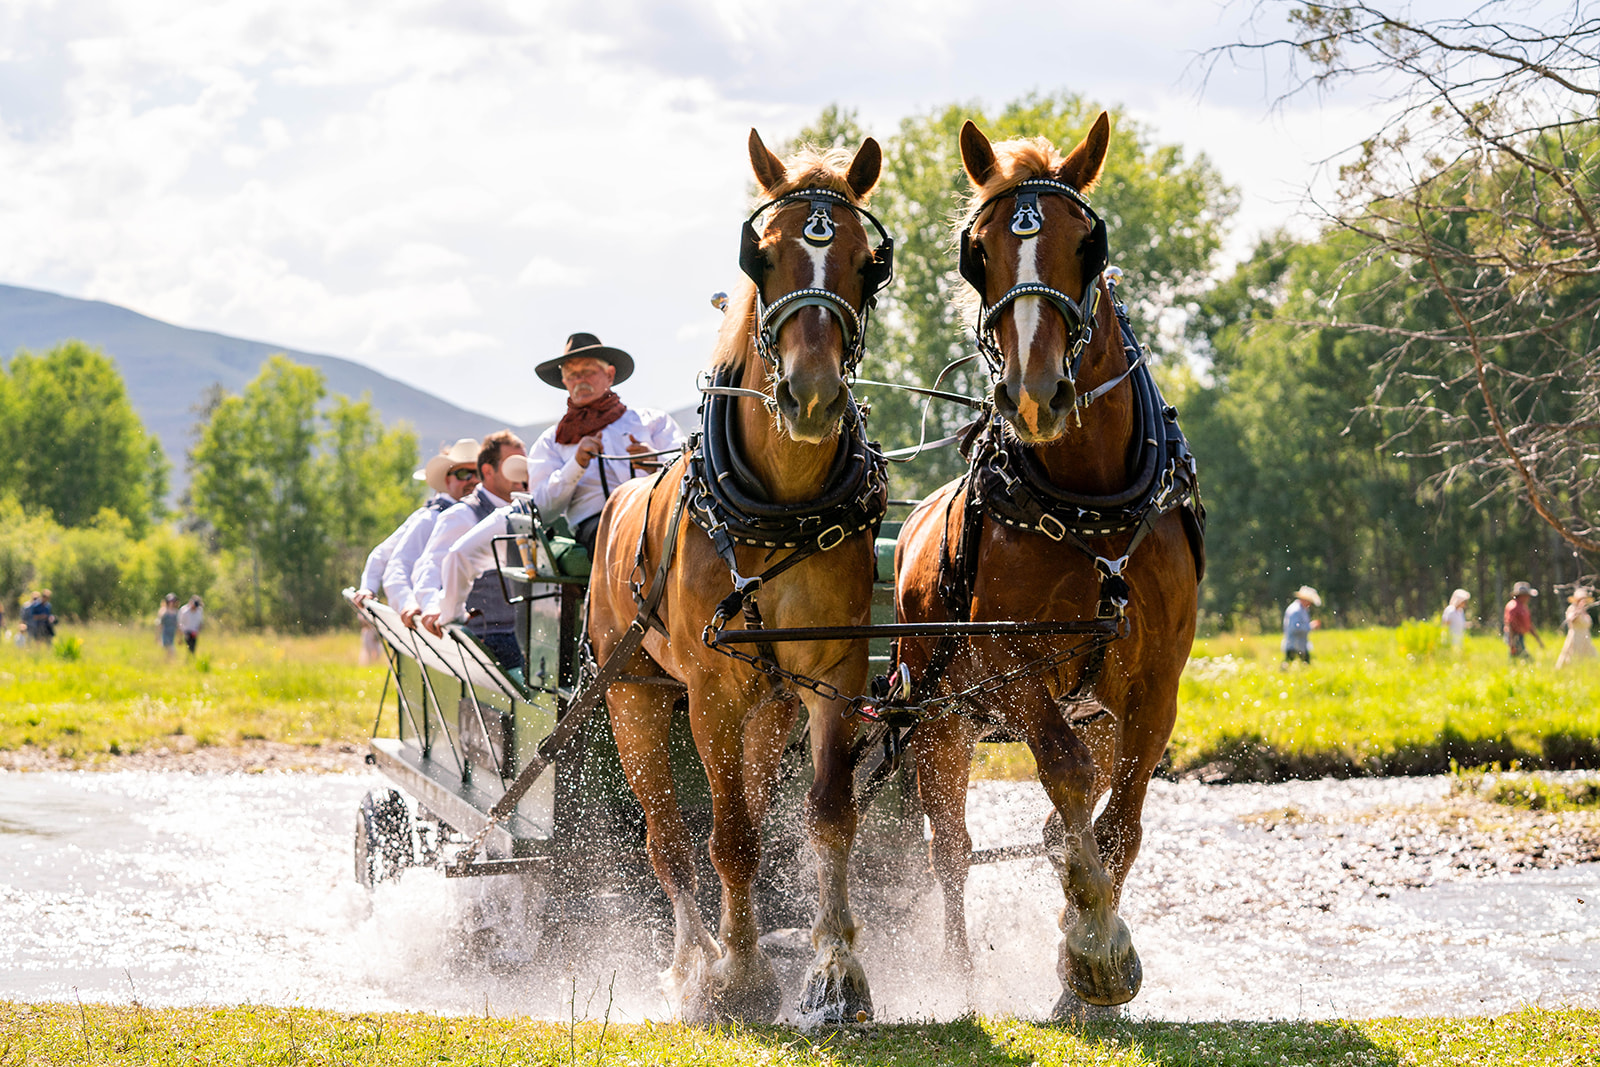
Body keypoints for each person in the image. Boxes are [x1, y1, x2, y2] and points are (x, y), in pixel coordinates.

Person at [525, 333, 685, 555]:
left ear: (609, 374)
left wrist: (657, 462)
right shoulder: (551, 441)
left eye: (588, 372)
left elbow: (687, 470)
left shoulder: (653, 421)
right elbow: (542, 508)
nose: (579, 380)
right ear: (564, 382)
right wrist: (576, 464)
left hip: (657, 513)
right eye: (572, 374)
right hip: (598, 526)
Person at [413, 431, 528, 668]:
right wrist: (434, 607)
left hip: (526, 635)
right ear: (488, 471)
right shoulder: (462, 515)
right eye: (511, 466)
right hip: (484, 639)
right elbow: (430, 567)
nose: (520, 474)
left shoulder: (527, 512)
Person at [353, 438, 481, 618]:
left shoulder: (480, 516)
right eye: (463, 474)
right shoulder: (431, 518)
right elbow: (396, 561)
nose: (473, 480)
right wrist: (407, 603)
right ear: (447, 479)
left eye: (478, 474)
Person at [1555, 587, 1596, 669]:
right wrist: (1579, 610)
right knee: (1573, 656)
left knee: (1592, 657)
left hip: (1586, 637)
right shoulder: (1572, 609)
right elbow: (1570, 619)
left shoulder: (1585, 611)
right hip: (1576, 637)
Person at [1502, 581, 1543, 660]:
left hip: (1520, 635)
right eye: (1527, 596)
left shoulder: (1523, 606)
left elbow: (1529, 624)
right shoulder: (1513, 606)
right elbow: (1510, 624)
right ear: (1521, 596)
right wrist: (1512, 642)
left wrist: (1538, 639)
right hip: (1514, 635)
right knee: (1523, 657)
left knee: (1516, 657)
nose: (1529, 598)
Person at [1282, 585, 1321, 665]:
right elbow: (1294, 628)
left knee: (1302, 664)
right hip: (1294, 643)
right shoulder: (1295, 610)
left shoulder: (1303, 610)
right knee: (1289, 664)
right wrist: (1311, 626)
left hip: (1301, 643)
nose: (1310, 603)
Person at [158, 593, 180, 659]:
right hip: (165, 633)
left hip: (172, 634)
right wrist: (158, 636)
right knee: (171, 650)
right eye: (170, 601)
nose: (171, 603)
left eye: (173, 601)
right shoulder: (163, 611)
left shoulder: (176, 612)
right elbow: (160, 624)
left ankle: (167, 664)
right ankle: (167, 663)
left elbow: (177, 625)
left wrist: (179, 636)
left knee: (169, 652)